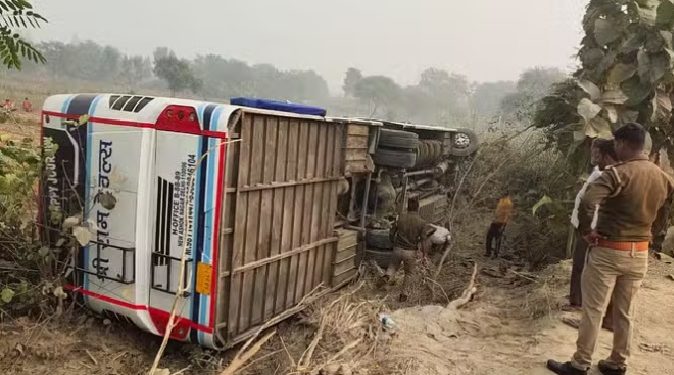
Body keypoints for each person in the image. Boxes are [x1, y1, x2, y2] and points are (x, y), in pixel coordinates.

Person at [547, 123, 674, 375]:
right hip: (639, 252)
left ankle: (580, 362)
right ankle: (618, 362)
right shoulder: (662, 177)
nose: (615, 147)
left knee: (593, 309)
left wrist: (587, 231)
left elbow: (587, 202)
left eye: (616, 143)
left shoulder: (616, 174)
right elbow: (663, 212)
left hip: (608, 250)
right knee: (625, 311)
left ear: (624, 144)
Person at [566, 140, 617, 330]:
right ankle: (577, 301)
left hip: (592, 229)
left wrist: (589, 230)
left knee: (584, 267)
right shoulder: (598, 171)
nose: (593, 154)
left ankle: (579, 305)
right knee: (580, 265)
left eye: (596, 151)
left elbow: (591, 204)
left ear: (605, 154)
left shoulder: (607, 175)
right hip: (587, 227)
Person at [383, 199, 436, 302]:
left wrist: (393, 242)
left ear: (408, 207)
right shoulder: (422, 223)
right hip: (410, 251)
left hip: (397, 248)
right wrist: (424, 255)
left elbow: (391, 232)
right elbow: (424, 240)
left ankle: (387, 277)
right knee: (409, 273)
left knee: (392, 267)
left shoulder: (400, 218)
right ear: (418, 208)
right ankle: (403, 294)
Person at [485, 193, 513, 258]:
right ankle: (488, 252)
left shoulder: (508, 203)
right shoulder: (501, 200)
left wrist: (503, 225)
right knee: (489, 237)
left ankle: (495, 254)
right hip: (496, 221)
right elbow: (497, 211)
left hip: (501, 222)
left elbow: (507, 214)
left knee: (497, 238)